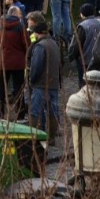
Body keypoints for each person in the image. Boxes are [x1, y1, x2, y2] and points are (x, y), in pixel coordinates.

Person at [28, 15, 63, 143]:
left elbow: (36, 66)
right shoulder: (54, 44)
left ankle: (35, 136)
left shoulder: (40, 46)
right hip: (53, 83)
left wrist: (31, 80)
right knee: (52, 111)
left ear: (37, 33)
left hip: (41, 84)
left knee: (35, 111)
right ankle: (52, 137)